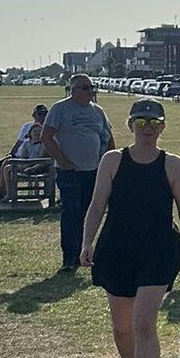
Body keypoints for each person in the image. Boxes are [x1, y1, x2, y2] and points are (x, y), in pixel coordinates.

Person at [80, 99, 180, 358]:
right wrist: (86, 242)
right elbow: (96, 207)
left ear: (163, 126)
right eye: (141, 122)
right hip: (118, 249)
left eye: (154, 122)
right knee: (122, 329)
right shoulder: (112, 161)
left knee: (143, 323)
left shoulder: (173, 164)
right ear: (130, 125)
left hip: (158, 249)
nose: (147, 128)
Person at [42, 75, 115, 273]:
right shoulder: (61, 109)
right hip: (70, 172)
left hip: (94, 172)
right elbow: (46, 136)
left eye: (92, 87)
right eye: (85, 88)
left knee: (89, 214)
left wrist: (110, 164)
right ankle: (69, 257)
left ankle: (85, 253)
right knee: (72, 213)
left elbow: (108, 138)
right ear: (73, 90)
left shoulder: (97, 111)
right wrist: (63, 162)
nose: (90, 91)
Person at [0, 104, 51, 201]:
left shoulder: (47, 128)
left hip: (31, 159)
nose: (43, 116)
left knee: (7, 166)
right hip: (19, 155)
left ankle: (4, 193)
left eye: (45, 114)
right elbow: (19, 142)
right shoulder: (27, 126)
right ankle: (6, 191)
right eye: (40, 114)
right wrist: (11, 153)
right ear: (34, 115)